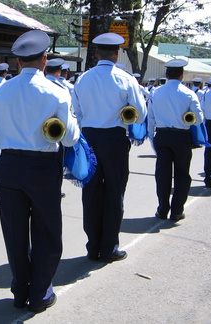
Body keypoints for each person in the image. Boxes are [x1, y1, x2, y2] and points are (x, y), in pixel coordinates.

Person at [0, 30, 79, 312]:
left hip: (9, 166)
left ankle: (19, 290)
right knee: (47, 231)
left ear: (18, 62)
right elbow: (71, 138)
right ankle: (39, 294)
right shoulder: (57, 91)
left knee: (14, 232)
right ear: (45, 60)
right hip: (43, 167)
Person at [72, 33, 147, 263]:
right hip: (114, 140)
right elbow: (141, 113)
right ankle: (109, 248)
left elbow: (76, 112)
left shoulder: (83, 79)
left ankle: (93, 246)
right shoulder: (126, 79)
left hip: (89, 138)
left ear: (96, 53)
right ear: (117, 54)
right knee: (115, 193)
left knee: (91, 193)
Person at [147, 59, 203, 221]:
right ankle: (177, 210)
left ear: (166, 75)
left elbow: (150, 119)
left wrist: (152, 138)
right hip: (181, 136)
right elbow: (198, 119)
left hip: (162, 135)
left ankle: (163, 209)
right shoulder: (189, 93)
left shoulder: (156, 92)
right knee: (182, 174)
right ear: (182, 75)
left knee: (162, 174)